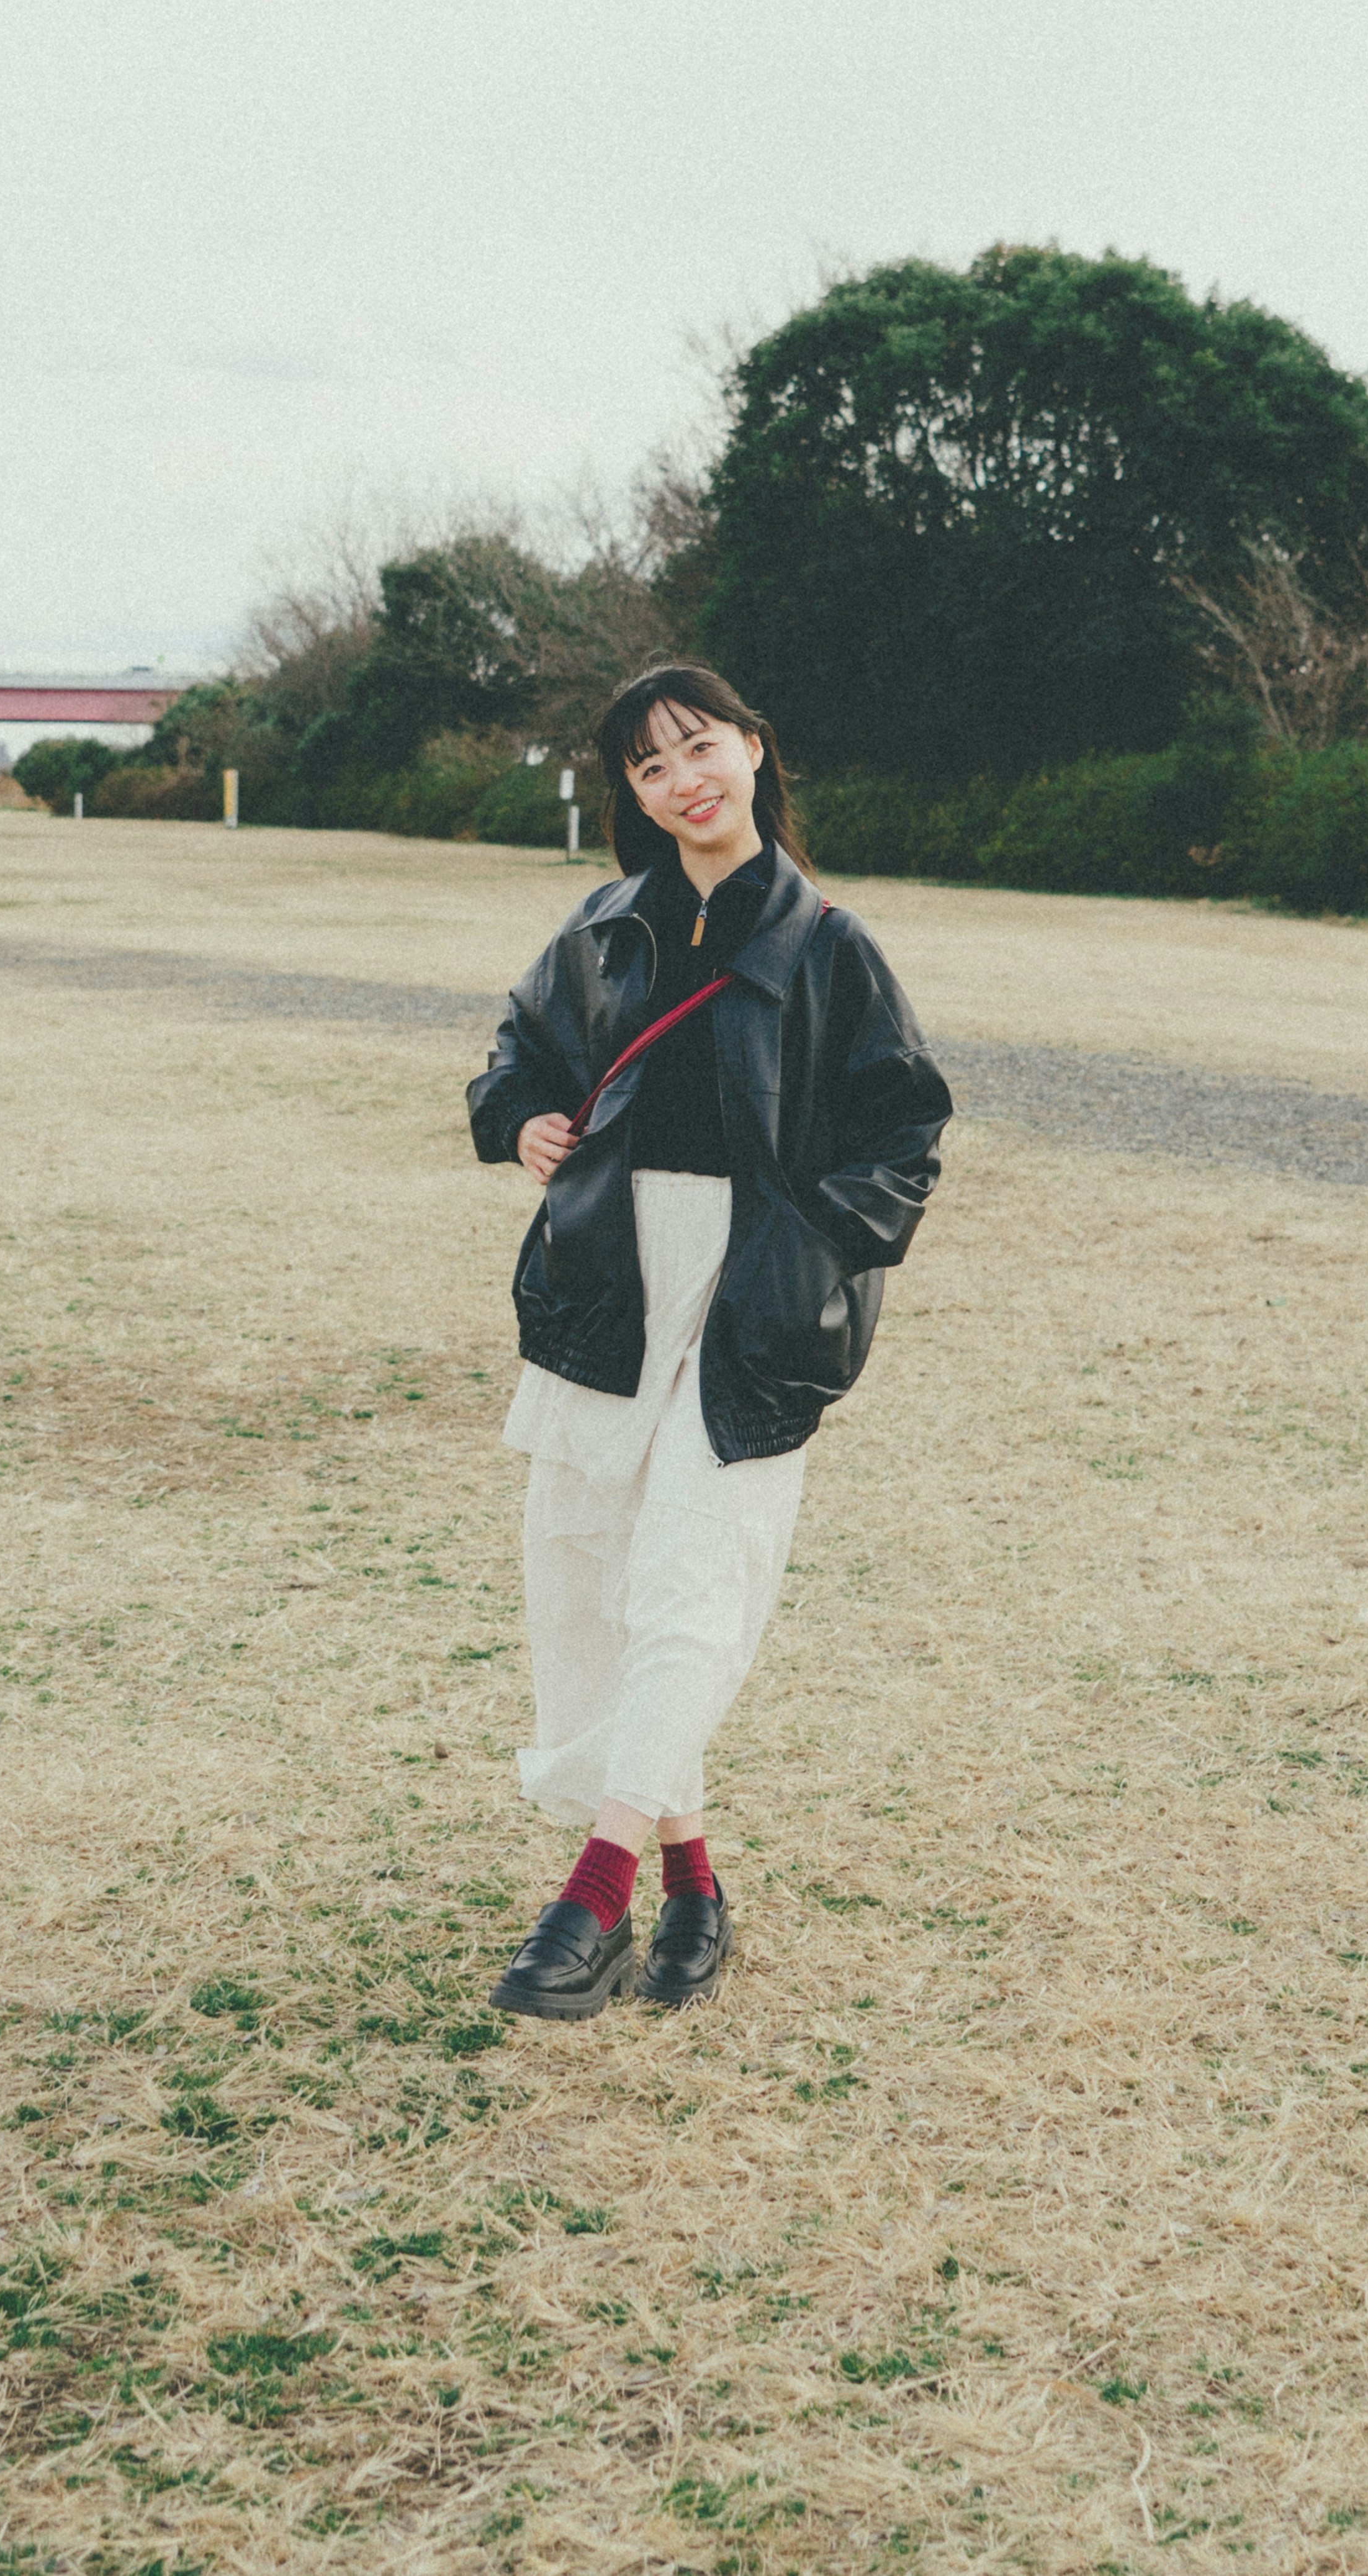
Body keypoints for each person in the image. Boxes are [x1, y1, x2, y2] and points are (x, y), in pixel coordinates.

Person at [465, 662, 951, 2021]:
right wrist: (522, 1122)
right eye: (651, 765)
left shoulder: (829, 944)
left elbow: (904, 1133)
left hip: (753, 1304)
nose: (685, 779)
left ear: (752, 748)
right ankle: (695, 1881)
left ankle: (595, 1891)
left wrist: (802, 1255)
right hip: (610, 1281)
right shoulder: (606, 927)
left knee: (691, 1583)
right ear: (633, 793)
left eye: (701, 747)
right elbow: (519, 1052)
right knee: (583, 1579)